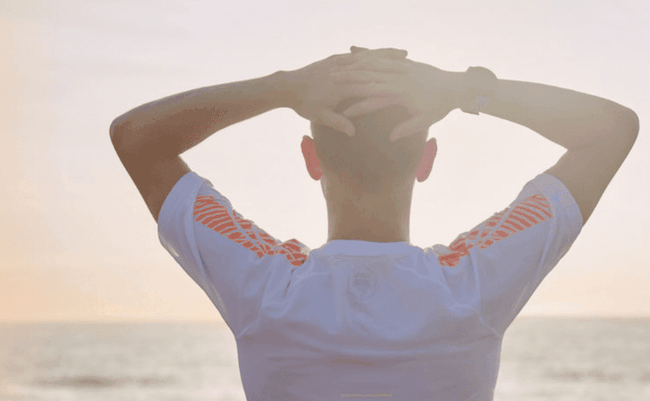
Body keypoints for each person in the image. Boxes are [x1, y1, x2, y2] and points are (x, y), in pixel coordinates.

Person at [109, 46, 638, 400]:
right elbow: (611, 129)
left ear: (311, 158)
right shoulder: (470, 286)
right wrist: (465, 88)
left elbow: (136, 138)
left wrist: (284, 88)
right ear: (427, 159)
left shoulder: (265, 288)